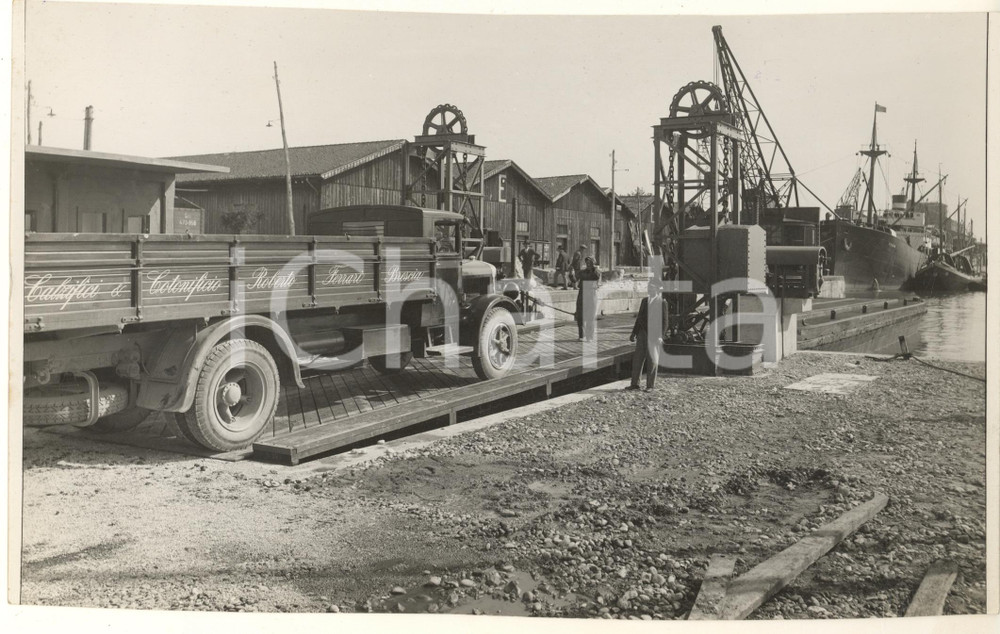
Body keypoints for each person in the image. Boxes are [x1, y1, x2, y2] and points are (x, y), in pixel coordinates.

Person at [627, 286, 669, 391]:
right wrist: (634, 333)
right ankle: (635, 384)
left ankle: (650, 385)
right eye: (649, 289)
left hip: (654, 334)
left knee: (652, 360)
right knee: (638, 359)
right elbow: (639, 318)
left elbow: (665, 321)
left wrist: (661, 335)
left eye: (652, 289)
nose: (650, 291)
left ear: (657, 291)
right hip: (642, 333)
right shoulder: (644, 301)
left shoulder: (662, 302)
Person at [575, 256, 601, 341]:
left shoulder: (596, 272)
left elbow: (596, 276)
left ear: (593, 263)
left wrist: (593, 268)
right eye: (587, 263)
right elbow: (575, 278)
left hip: (591, 293)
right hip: (582, 293)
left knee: (590, 316)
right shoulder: (583, 272)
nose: (588, 264)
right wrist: (571, 275)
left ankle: (589, 336)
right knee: (580, 315)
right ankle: (581, 335)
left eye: (590, 263)